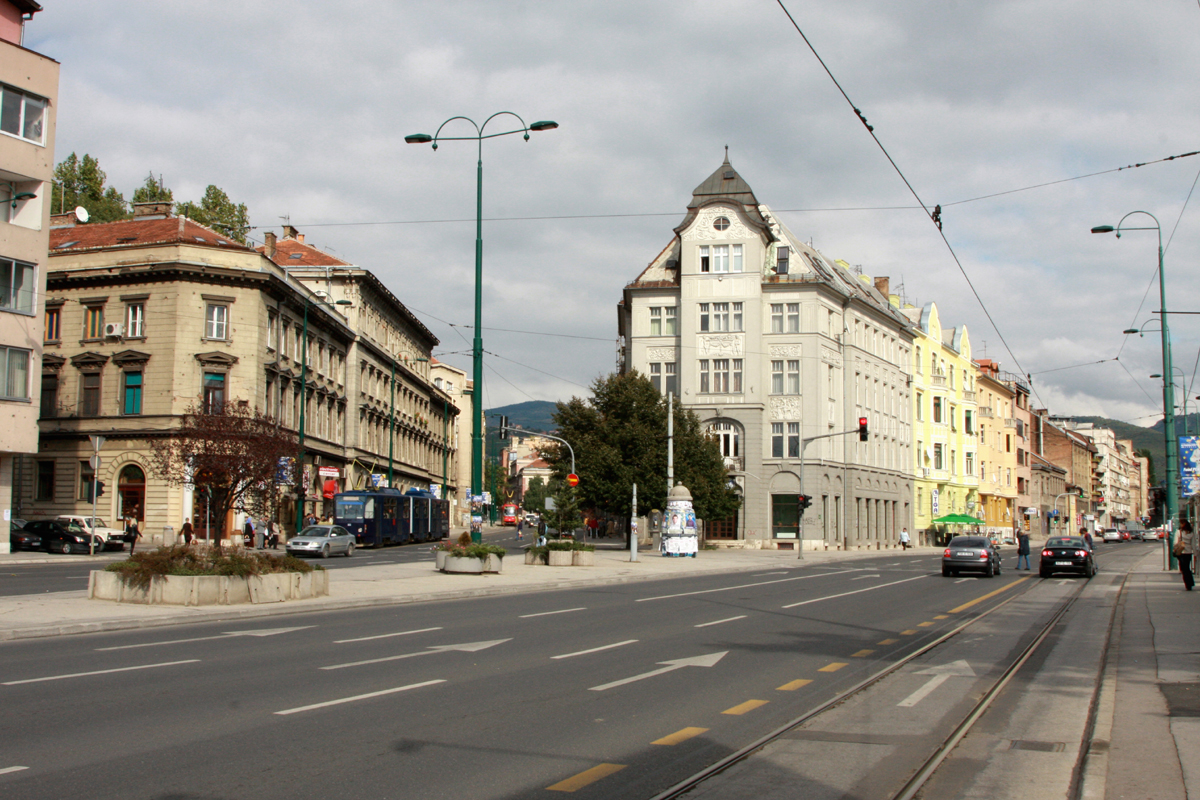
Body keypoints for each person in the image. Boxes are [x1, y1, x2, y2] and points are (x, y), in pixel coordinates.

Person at [1177, 519, 1196, 591]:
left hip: (1181, 552)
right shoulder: (1191, 533)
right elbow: (1193, 543)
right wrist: (1195, 552)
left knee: (1183, 569)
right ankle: (1190, 583)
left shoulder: (1179, 532)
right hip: (1188, 552)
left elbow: (1176, 542)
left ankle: (1187, 584)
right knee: (1187, 568)